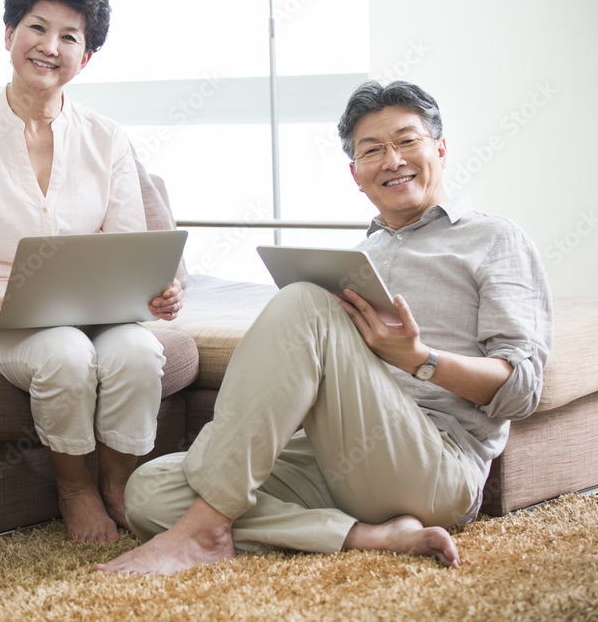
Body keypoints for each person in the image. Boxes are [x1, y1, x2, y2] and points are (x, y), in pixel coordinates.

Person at [97, 80, 553, 574]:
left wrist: (422, 361)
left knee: (303, 302)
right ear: (357, 175)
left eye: (406, 141)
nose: (392, 159)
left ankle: (203, 530)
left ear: (439, 148)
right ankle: (367, 536)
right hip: (334, 457)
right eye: (372, 150)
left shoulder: (494, 238)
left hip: (435, 463)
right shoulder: (360, 257)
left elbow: (522, 391)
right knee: (149, 491)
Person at [0, 0, 183, 544]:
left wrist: (153, 291)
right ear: (9, 35)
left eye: (69, 37)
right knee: (63, 352)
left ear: (85, 58)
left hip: (90, 315)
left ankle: (118, 482)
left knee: (138, 350)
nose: (49, 46)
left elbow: (125, 247)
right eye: (37, 27)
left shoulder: (107, 137)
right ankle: (75, 487)